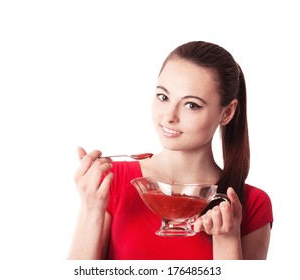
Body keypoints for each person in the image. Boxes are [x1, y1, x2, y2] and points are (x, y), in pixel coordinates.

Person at [67, 41, 273, 260]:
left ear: (227, 112)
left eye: (191, 105)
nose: (169, 116)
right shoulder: (113, 180)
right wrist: (91, 209)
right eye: (163, 97)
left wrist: (227, 239)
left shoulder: (252, 204)